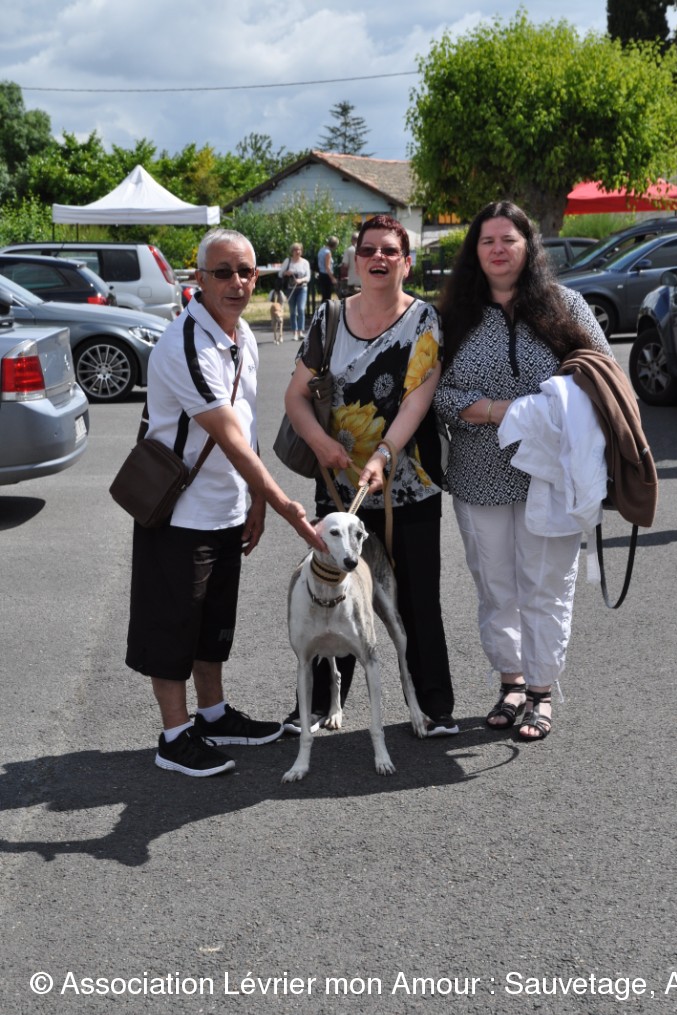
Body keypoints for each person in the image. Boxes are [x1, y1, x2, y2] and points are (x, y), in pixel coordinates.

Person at [125, 227, 324, 777]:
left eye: (246, 272)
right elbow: (227, 435)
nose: (236, 283)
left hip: (226, 508)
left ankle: (212, 715)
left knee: (213, 622)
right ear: (199, 279)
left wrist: (255, 502)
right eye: (223, 273)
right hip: (178, 511)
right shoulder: (185, 343)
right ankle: (174, 736)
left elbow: (247, 423)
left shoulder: (243, 338)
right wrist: (284, 505)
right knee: (173, 627)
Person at [434, 200, 613, 742]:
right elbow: (434, 392)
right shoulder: (452, 316)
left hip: (552, 477)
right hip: (478, 475)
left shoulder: (566, 305)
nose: (498, 250)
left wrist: (544, 413)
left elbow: (605, 377)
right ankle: (510, 682)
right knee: (495, 587)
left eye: (508, 240)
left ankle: (541, 690)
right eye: (487, 241)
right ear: (475, 251)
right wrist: (499, 412)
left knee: (546, 586)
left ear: (528, 246)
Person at [282, 214, 456, 737]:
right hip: (338, 488)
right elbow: (295, 397)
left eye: (389, 251)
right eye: (368, 250)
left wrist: (382, 454)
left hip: (409, 482)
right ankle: (317, 707)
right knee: (330, 593)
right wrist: (321, 444)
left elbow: (417, 400)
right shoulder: (330, 317)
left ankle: (432, 706)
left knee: (416, 598)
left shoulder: (424, 319)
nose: (378, 258)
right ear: (355, 261)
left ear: (407, 262)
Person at [281, 242, 311, 341]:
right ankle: (294, 332)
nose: (297, 252)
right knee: (293, 311)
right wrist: (286, 272)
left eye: (299, 250)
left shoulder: (305, 262)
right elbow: (280, 273)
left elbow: (308, 277)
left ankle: (300, 331)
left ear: (301, 251)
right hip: (290, 289)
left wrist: (301, 280)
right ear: (292, 251)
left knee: (301, 309)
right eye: (295, 250)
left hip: (302, 288)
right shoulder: (288, 261)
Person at [316, 235, 339, 303]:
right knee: (327, 296)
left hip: (321, 274)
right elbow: (327, 267)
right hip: (326, 276)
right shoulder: (328, 252)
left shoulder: (321, 250)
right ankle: (325, 309)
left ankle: (323, 308)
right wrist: (333, 278)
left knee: (324, 295)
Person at [339, 231, 360, 296]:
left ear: (351, 240)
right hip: (364, 282)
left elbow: (345, 265)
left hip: (352, 281)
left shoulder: (349, 250)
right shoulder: (366, 250)